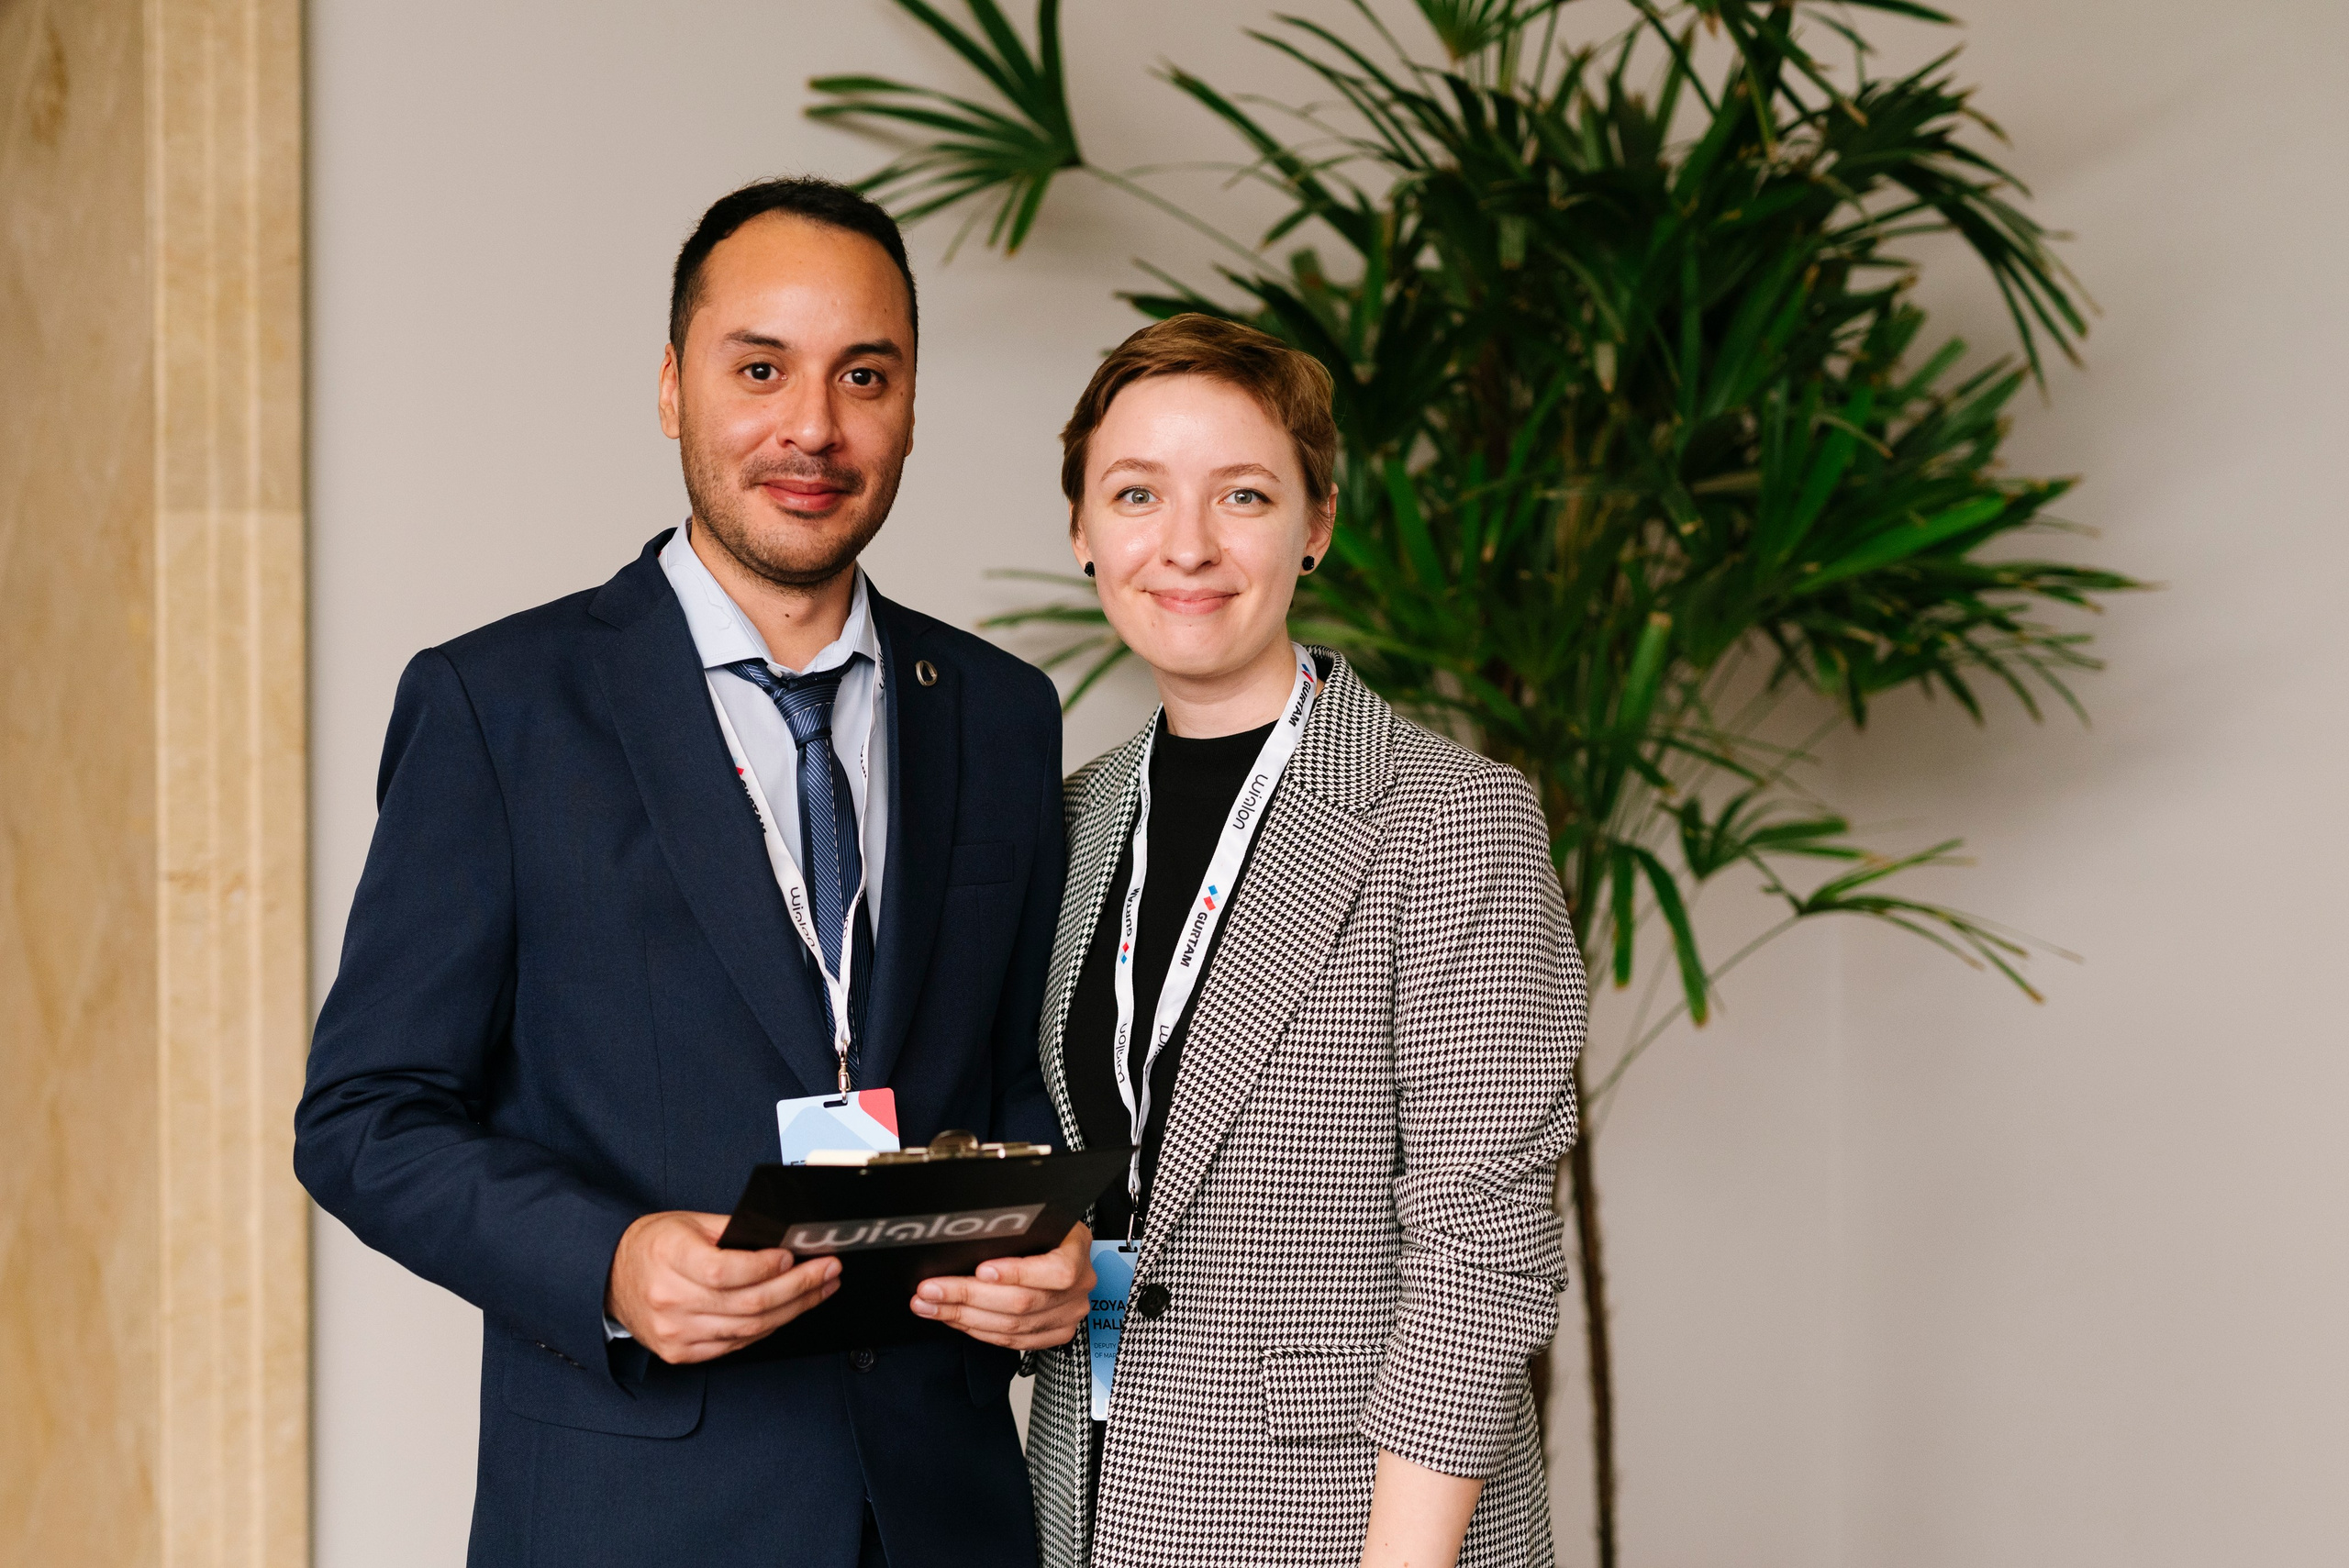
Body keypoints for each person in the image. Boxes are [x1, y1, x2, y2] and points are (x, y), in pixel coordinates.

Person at [295, 177, 1092, 1568]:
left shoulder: (1002, 710)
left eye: (866, 375)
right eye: (760, 367)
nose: (814, 427)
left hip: (945, 1515)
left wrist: (1055, 1260)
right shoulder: (500, 707)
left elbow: (1012, 1078)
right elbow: (364, 1114)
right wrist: (604, 1263)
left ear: (913, 404)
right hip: (632, 1518)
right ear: (672, 386)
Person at [1008, 315, 1587, 1568]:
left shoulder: (1450, 819)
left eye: (1246, 494)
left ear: (1317, 521)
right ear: (1083, 531)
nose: (1188, 544)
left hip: (1353, 1530)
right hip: (1094, 1501)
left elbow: (1480, 1247)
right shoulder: (1070, 816)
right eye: (1137, 493)